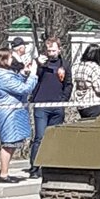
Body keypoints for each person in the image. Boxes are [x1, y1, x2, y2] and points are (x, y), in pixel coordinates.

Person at [0, 48, 37, 182]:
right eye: (10, 58)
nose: (12, 60)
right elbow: (22, 88)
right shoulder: (2, 76)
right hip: (8, 112)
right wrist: (32, 75)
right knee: (8, 143)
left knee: (13, 143)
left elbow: (16, 82)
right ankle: (4, 174)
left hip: (13, 110)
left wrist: (24, 73)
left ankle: (3, 169)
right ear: (3, 59)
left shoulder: (4, 73)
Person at [29, 35, 72, 177]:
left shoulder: (64, 64)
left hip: (57, 106)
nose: (51, 53)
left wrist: (64, 99)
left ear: (59, 50)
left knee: (54, 137)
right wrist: (38, 65)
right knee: (40, 137)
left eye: (53, 50)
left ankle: (51, 166)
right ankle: (34, 168)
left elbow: (68, 84)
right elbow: (33, 78)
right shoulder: (41, 63)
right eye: (49, 51)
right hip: (41, 105)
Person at [73, 45, 100, 118]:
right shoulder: (95, 68)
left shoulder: (78, 66)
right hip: (94, 103)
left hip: (81, 104)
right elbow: (99, 90)